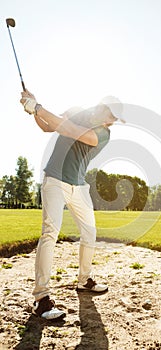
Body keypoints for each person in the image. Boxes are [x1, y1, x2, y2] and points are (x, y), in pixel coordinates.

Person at [20, 90, 124, 320]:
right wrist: (33, 108)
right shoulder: (78, 112)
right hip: (55, 180)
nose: (111, 120)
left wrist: (36, 107)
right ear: (102, 106)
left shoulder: (104, 134)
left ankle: (84, 281)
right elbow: (48, 126)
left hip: (78, 186)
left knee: (90, 233)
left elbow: (67, 129)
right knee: (50, 233)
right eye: (111, 114)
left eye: (115, 118)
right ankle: (41, 298)